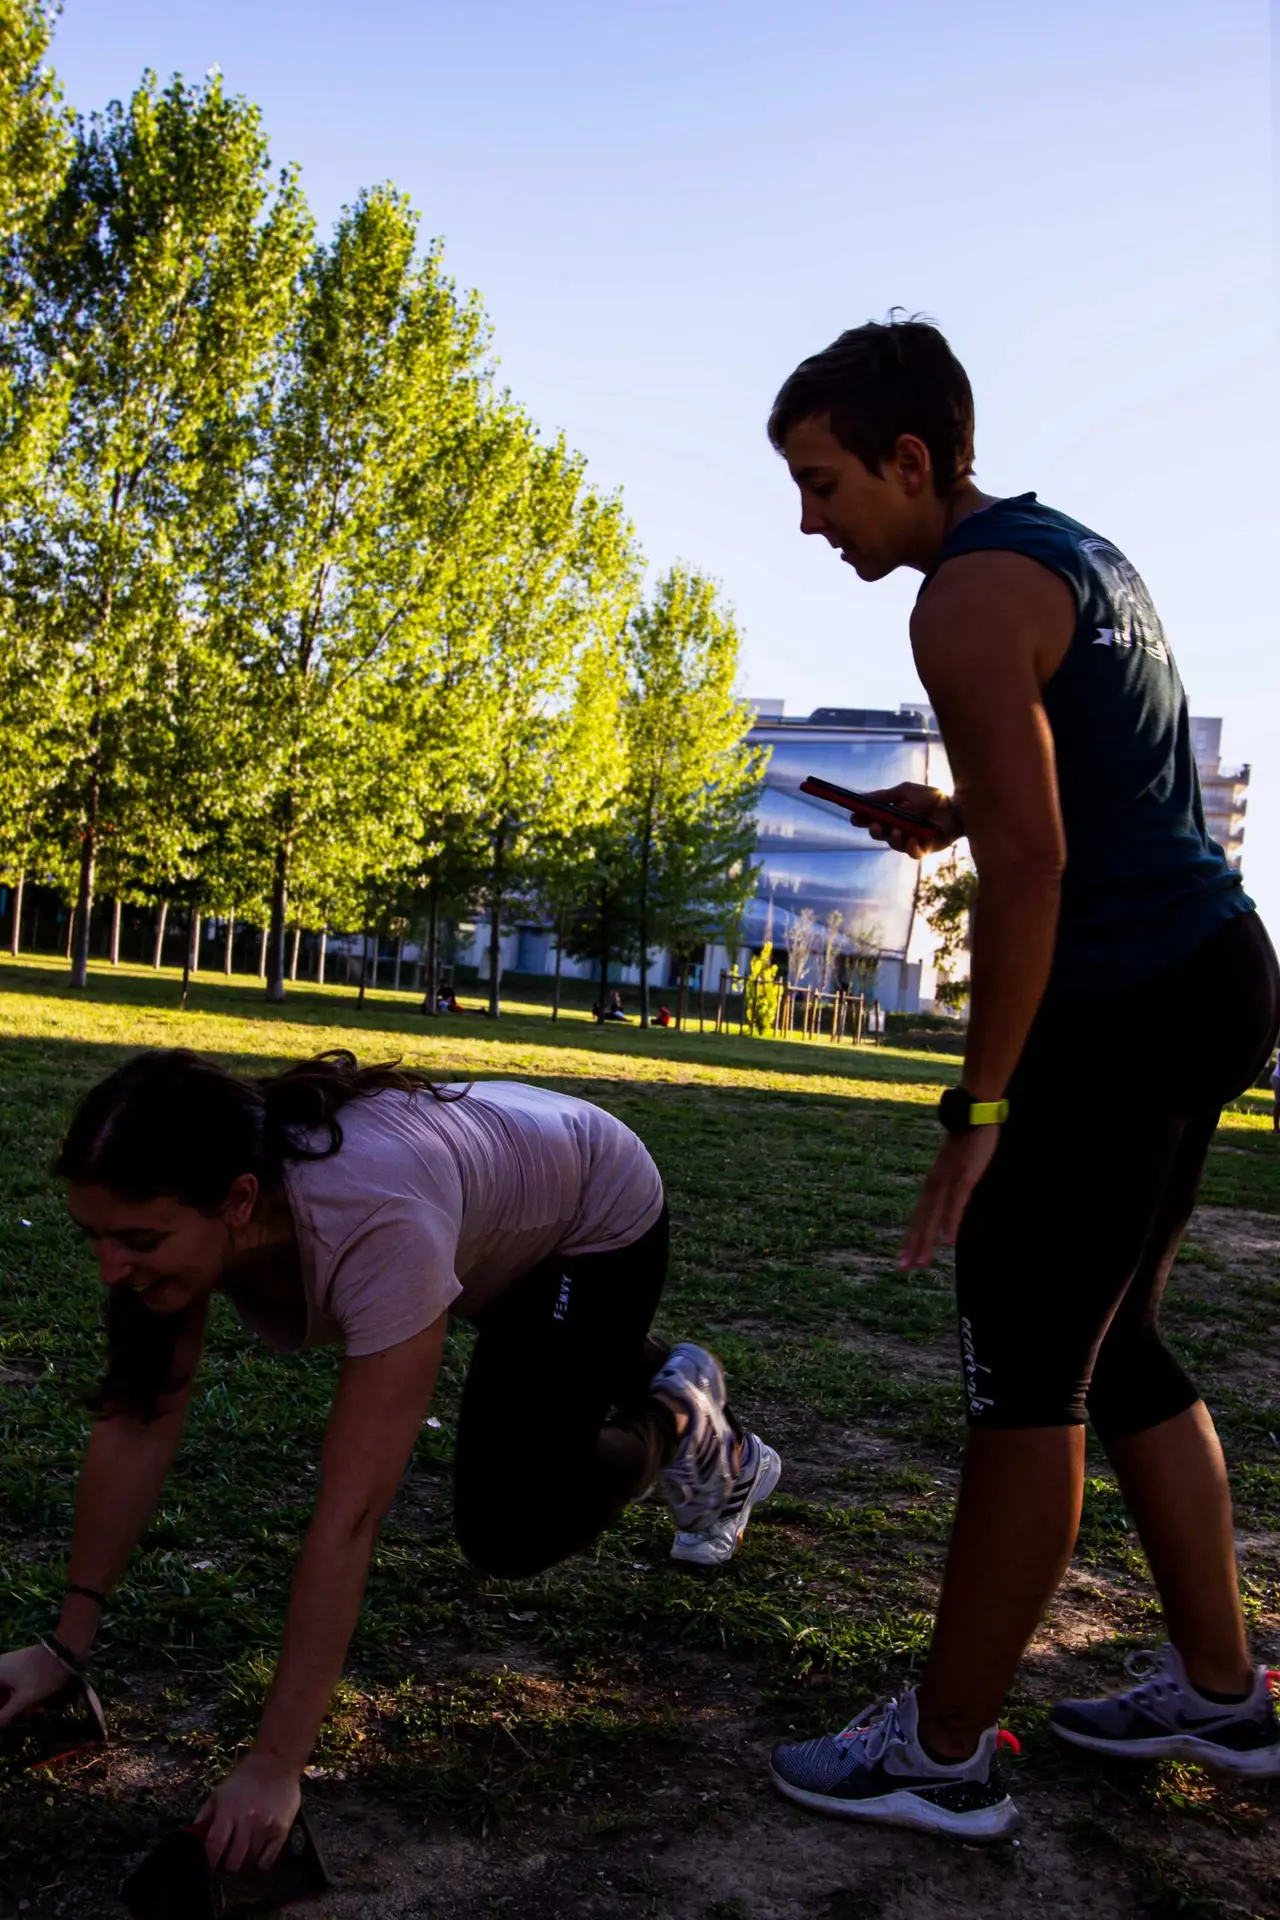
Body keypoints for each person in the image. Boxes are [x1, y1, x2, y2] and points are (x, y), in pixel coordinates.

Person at [764, 316, 1280, 1841]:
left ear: (910, 458)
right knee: (1119, 1349)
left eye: (822, 483)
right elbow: (1082, 789)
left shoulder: (963, 599)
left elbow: (1042, 866)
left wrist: (979, 1109)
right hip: (1217, 968)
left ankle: (941, 1753)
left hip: (1127, 1000)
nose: (811, 522)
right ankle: (1221, 1689)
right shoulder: (1068, 551)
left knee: (1030, 1371)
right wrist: (952, 810)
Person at [0, 1050, 781, 1874]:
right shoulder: (206, 1199)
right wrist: (65, 1649)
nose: (110, 1269)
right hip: (491, 1192)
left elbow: (351, 1515)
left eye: (137, 1240)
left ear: (240, 1201)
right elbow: (139, 1420)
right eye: (93, 1236)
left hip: (592, 1209)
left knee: (512, 1524)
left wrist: (274, 1766)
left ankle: (681, 1413)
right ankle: (616, 1362)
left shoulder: (374, 1224)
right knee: (548, 1354)